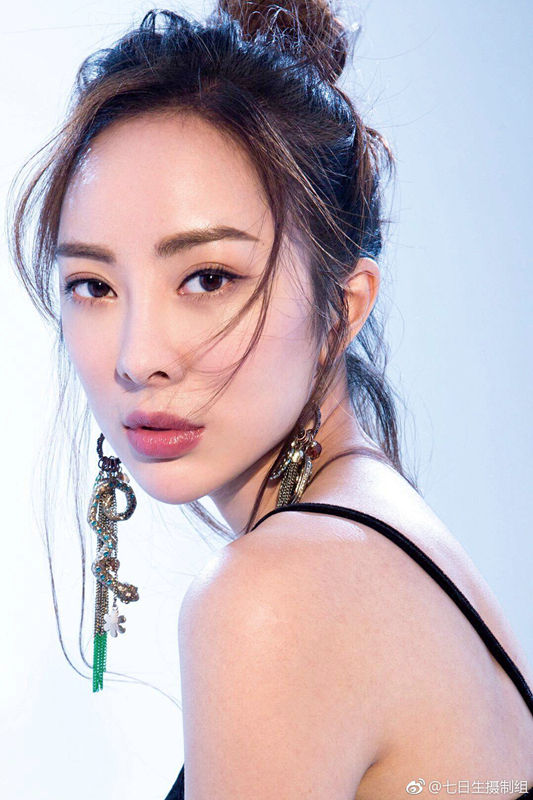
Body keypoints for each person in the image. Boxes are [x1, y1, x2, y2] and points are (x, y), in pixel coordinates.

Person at [8, 1, 532, 797]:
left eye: (208, 278)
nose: (137, 359)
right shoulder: (383, 543)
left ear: (342, 309)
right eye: (94, 285)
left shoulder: (278, 594)